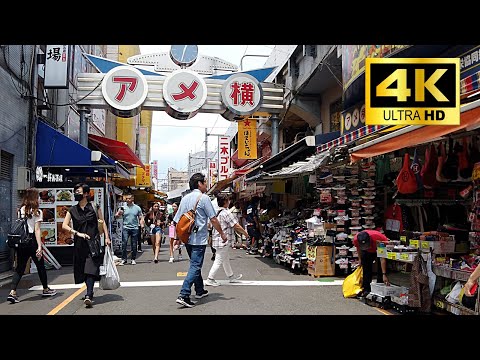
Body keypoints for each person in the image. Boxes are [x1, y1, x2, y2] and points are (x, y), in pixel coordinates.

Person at [173, 173, 227, 308]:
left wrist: (177, 238)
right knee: (196, 266)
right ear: (199, 184)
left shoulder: (184, 198)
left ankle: (199, 290)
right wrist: (222, 233)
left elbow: (177, 220)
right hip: (198, 239)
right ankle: (184, 294)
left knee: (194, 264)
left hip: (187, 238)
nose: (206, 185)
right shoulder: (204, 198)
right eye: (204, 182)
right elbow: (213, 219)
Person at [62, 183, 111, 308]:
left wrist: (106, 237)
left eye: (78, 192)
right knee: (82, 270)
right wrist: (76, 233)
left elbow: (102, 222)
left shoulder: (94, 206)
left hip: (93, 243)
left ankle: (89, 294)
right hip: (79, 244)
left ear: (85, 193)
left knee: (90, 269)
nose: (76, 194)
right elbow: (64, 225)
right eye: (75, 192)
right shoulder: (72, 210)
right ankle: (90, 290)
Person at [7, 188, 57, 304]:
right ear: (34, 198)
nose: (39, 198)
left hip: (21, 242)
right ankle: (45, 289)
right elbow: (37, 230)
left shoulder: (20, 209)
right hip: (31, 241)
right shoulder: (37, 212)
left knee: (20, 267)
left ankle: (12, 292)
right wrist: (39, 246)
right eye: (38, 196)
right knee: (40, 266)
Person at [205, 193, 249, 287]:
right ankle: (210, 279)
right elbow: (235, 225)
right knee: (219, 260)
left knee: (225, 259)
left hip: (218, 239)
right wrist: (245, 233)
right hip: (223, 240)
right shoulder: (226, 213)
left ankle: (231, 276)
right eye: (228, 200)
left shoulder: (218, 212)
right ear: (225, 202)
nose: (229, 202)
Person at [353, 230, 390, 296]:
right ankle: (366, 289)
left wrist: (384, 274)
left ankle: (380, 285)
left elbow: (382, 258)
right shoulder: (356, 239)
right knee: (366, 267)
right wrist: (360, 259)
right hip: (367, 252)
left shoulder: (379, 239)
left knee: (380, 268)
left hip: (378, 248)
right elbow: (358, 249)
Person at [115, 194, 145, 265]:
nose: (127, 200)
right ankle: (124, 259)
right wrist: (119, 213)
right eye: (127, 199)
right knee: (124, 243)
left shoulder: (137, 208)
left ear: (132, 199)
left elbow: (141, 217)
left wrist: (142, 225)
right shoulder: (123, 207)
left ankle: (133, 259)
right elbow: (116, 216)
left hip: (135, 228)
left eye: (129, 198)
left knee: (134, 244)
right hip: (126, 227)